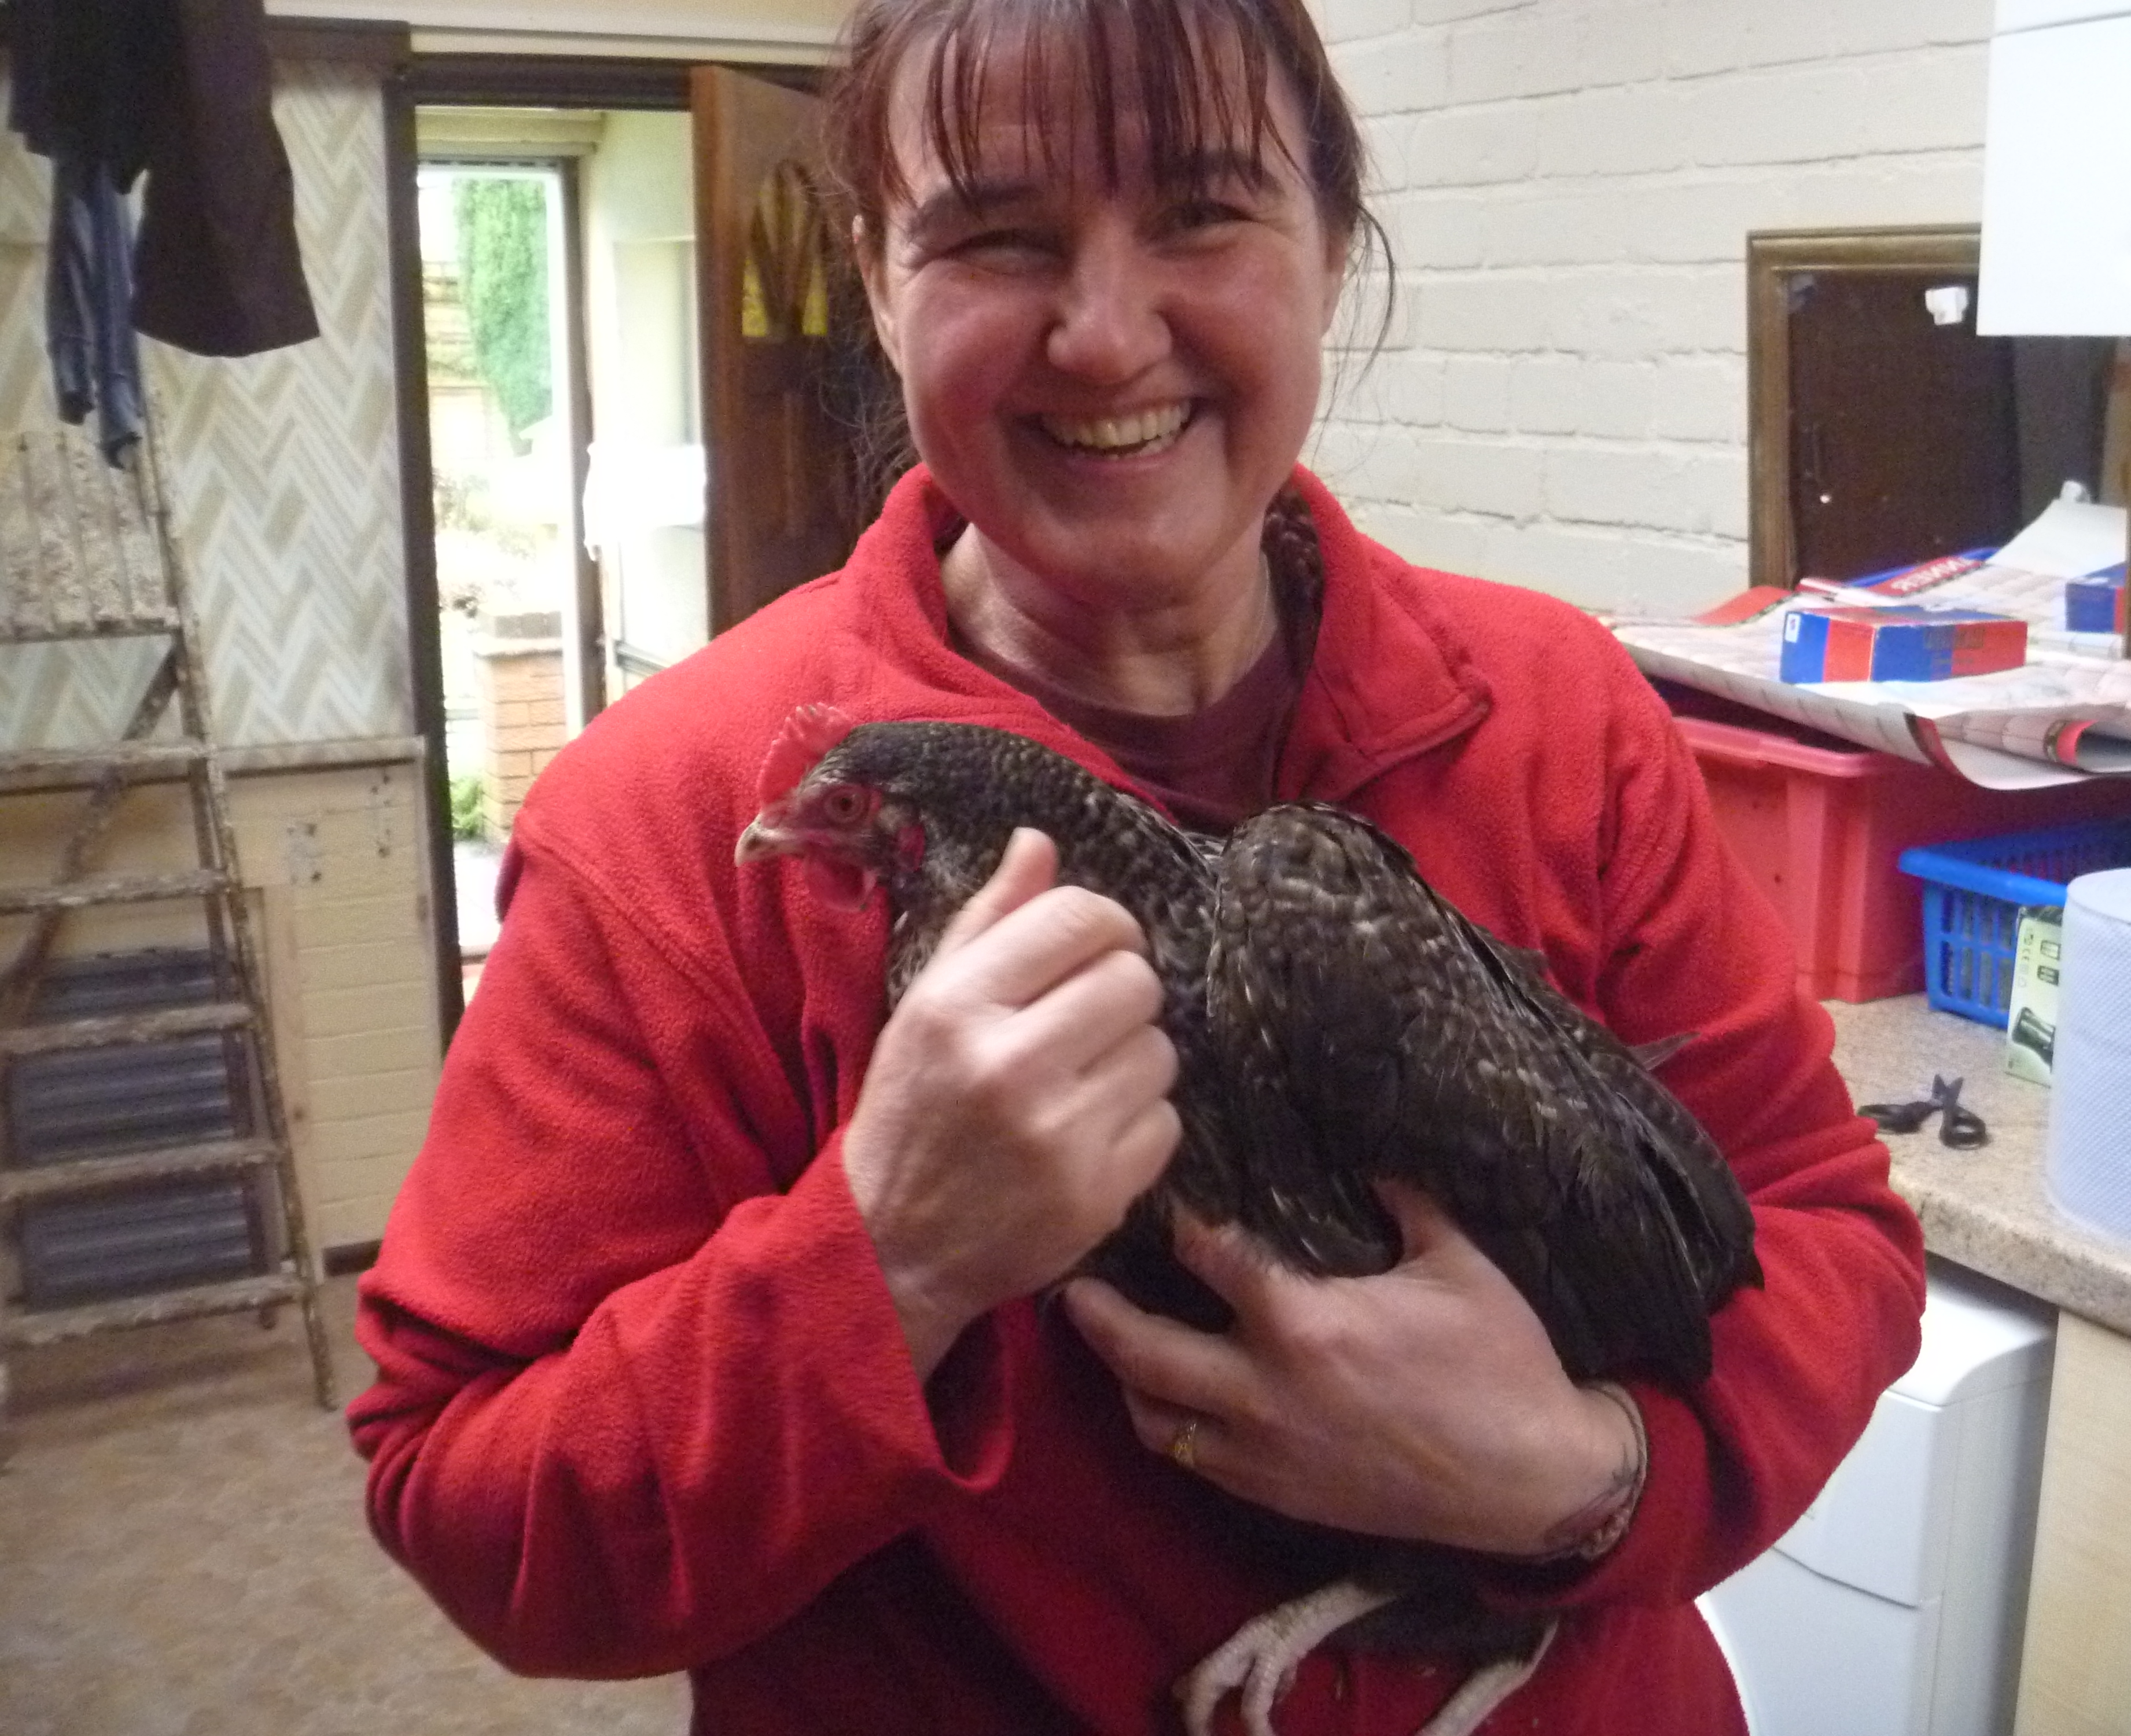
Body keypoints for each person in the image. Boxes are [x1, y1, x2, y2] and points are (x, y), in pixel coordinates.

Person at [349, 1, 1926, 1731]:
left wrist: (1579, 1476)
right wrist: (887, 1261)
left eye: (1202, 212)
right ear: (878, 276)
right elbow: (472, 1504)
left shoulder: (1557, 711)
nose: (1104, 338)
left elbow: (1826, 1233)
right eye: (996, 236)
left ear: (1331, 247)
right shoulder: (672, 823)